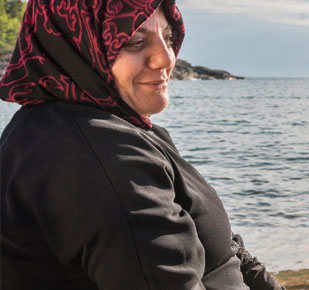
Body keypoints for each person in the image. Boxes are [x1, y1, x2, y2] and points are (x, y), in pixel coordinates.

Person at [0, 1, 282, 289]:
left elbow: (226, 251)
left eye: (169, 37)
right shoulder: (101, 158)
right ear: (73, 42)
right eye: (134, 41)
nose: (165, 58)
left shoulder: (106, 127)